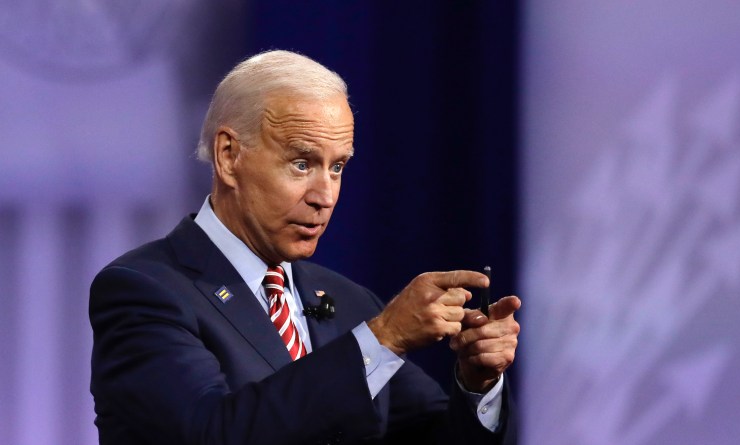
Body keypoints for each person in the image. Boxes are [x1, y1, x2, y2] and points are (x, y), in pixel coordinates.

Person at [89, 50, 521, 445]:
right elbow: (209, 432)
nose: (325, 195)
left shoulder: (349, 303)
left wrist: (476, 383)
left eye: (337, 168)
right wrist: (383, 338)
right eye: (301, 164)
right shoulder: (144, 292)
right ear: (228, 156)